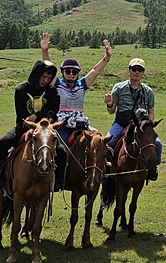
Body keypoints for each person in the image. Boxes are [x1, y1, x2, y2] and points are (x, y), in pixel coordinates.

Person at [40, 33, 112, 190]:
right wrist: (44, 51)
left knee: (101, 144)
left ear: (78, 73)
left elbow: (95, 71)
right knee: (60, 150)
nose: (71, 74)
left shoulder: (82, 84)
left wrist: (107, 57)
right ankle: (59, 178)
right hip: (63, 125)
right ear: (62, 72)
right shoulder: (57, 84)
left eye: (74, 72)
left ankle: (103, 172)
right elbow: (48, 66)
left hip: (80, 123)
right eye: (68, 71)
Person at [0, 57, 60, 188]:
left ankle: (58, 179)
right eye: (43, 77)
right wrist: (33, 119)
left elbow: (53, 110)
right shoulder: (21, 91)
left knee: (62, 150)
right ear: (37, 74)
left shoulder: (51, 91)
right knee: (4, 142)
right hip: (25, 127)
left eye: (49, 78)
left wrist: (36, 115)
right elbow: (22, 115)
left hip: (46, 130)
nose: (46, 80)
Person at [103, 57, 162, 181]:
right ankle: (107, 169)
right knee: (108, 143)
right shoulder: (119, 88)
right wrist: (109, 104)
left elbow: (151, 112)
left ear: (143, 73)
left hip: (141, 125)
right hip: (121, 123)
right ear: (129, 70)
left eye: (140, 70)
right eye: (134, 69)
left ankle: (152, 168)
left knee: (157, 144)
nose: (137, 72)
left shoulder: (148, 91)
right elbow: (111, 111)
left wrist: (149, 125)